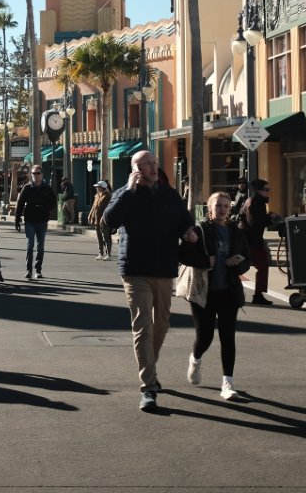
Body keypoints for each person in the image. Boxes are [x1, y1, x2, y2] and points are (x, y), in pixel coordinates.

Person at [103, 150, 196, 413]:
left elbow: (184, 221)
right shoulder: (124, 193)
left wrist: (189, 232)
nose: (153, 167)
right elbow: (110, 221)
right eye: (145, 164)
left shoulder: (169, 194)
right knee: (143, 326)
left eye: (154, 162)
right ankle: (148, 387)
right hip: (135, 269)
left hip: (164, 268)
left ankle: (150, 369)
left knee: (162, 324)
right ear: (135, 169)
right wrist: (130, 190)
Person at [179, 191, 252, 400]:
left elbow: (247, 260)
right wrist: (204, 261)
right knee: (205, 337)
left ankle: (227, 383)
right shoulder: (200, 230)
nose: (222, 210)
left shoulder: (236, 232)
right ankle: (195, 359)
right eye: (218, 205)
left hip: (228, 291)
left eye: (226, 206)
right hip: (204, 291)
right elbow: (182, 254)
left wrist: (237, 264)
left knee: (228, 337)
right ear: (209, 208)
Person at [14, 166, 57, 280]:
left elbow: (53, 203)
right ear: (31, 175)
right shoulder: (27, 188)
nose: (36, 175)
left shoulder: (47, 188)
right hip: (30, 221)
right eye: (34, 173)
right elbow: (20, 204)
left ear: (42, 175)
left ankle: (38, 270)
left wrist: (45, 208)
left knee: (40, 247)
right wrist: (17, 220)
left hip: (42, 221)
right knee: (30, 245)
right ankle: (29, 270)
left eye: (38, 173)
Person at [239, 178, 275, 305]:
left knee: (246, 266)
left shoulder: (254, 201)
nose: (268, 192)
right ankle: (257, 295)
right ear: (259, 190)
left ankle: (256, 295)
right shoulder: (255, 202)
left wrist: (267, 218)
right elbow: (254, 223)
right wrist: (270, 219)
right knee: (261, 265)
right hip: (250, 240)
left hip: (250, 239)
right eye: (266, 189)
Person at [87, 180, 113, 260]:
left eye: (98, 187)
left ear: (103, 187)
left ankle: (108, 254)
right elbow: (93, 207)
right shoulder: (97, 195)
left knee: (106, 237)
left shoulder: (107, 195)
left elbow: (108, 209)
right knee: (99, 237)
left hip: (104, 220)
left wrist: (104, 218)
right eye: (96, 187)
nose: (97, 188)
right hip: (97, 219)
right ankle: (100, 253)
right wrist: (90, 216)